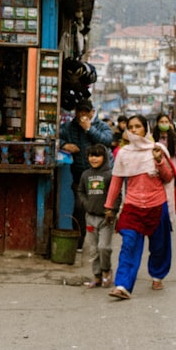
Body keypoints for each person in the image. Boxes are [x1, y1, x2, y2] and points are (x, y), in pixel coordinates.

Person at [103, 115, 176, 300]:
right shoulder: (123, 153)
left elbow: (168, 178)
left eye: (138, 127)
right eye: (130, 127)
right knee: (128, 244)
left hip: (157, 205)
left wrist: (159, 162)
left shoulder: (157, 150)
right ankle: (123, 285)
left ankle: (157, 275)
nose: (134, 130)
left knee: (160, 246)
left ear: (146, 129)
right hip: (132, 206)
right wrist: (109, 206)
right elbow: (116, 181)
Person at [60, 101, 114, 245]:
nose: (82, 114)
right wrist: (64, 145)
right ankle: (79, 241)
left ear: (92, 112)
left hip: (101, 175)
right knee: (79, 207)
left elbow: (107, 141)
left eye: (86, 111)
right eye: (80, 111)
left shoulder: (101, 126)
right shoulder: (69, 127)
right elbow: (55, 135)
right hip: (79, 175)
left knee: (101, 207)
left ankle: (100, 239)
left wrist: (89, 129)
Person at [76, 144, 118, 289]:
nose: (93, 159)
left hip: (106, 218)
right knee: (94, 250)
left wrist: (113, 211)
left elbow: (117, 195)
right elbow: (80, 191)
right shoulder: (86, 174)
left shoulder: (110, 175)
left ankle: (107, 271)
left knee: (104, 248)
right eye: (91, 155)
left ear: (105, 157)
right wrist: (85, 204)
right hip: (90, 217)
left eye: (97, 155)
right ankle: (97, 276)